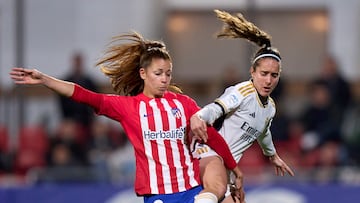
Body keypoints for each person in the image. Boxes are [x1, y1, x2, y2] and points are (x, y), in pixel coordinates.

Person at [9, 31, 243, 203]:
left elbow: (211, 136)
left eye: (168, 74)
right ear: (143, 74)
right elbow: (84, 95)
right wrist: (45, 79)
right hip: (158, 195)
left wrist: (235, 168)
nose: (164, 79)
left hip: (191, 190)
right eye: (158, 73)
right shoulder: (128, 107)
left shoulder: (184, 104)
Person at [190, 10, 295, 203]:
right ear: (252, 72)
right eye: (263, 73)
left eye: (274, 75)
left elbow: (263, 132)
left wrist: (272, 156)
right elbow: (216, 108)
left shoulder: (270, 107)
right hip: (209, 152)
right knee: (215, 189)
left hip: (228, 166)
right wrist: (199, 116)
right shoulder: (242, 91)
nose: (268, 80)